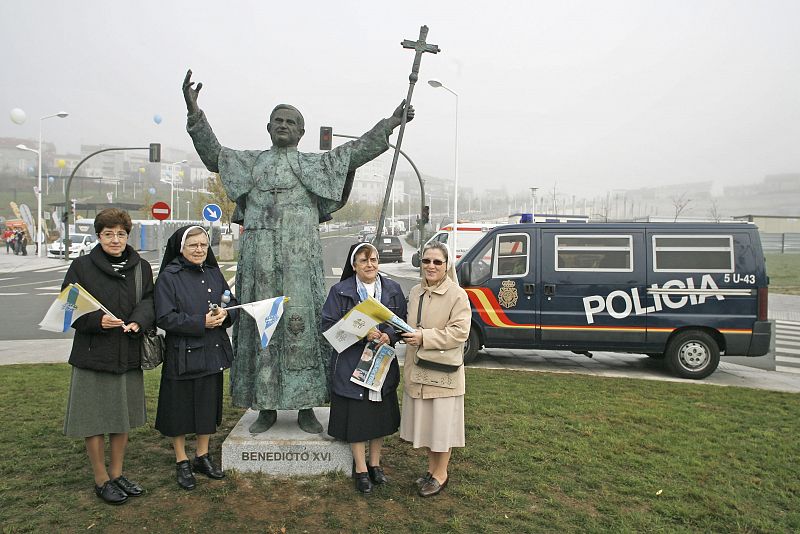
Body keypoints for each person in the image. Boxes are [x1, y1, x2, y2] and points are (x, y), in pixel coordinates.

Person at [182, 69, 415, 434]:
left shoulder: (311, 165)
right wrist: (196, 115)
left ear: (302, 133)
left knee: (302, 326)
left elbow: (353, 153)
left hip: (299, 262)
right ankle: (266, 406)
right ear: (268, 126)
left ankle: (306, 404)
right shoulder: (251, 163)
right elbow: (215, 156)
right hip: (259, 262)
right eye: (278, 120)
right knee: (262, 329)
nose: (284, 125)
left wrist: (390, 122)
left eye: (292, 122)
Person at [62, 208, 155, 505]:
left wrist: (140, 320)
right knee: (94, 419)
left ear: (127, 236)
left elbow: (150, 300)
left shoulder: (141, 267)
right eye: (108, 234)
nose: (115, 240)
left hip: (127, 351)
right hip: (93, 354)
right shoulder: (81, 266)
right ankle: (101, 479)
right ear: (99, 236)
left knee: (121, 418)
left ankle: (117, 474)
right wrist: (96, 322)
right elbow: (68, 307)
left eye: (120, 234)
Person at [154, 226, 239, 490]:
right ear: (181, 248)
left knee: (207, 406)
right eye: (193, 245)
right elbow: (165, 317)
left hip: (211, 351)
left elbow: (231, 301)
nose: (200, 250)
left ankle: (202, 456)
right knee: (178, 409)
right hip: (183, 354)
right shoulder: (169, 277)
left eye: (203, 245)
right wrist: (199, 322)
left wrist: (227, 315)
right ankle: (182, 460)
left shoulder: (214, 273)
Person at [321, 243, 407, 494]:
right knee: (357, 417)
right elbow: (328, 324)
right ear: (354, 265)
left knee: (378, 415)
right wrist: (362, 332)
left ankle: (375, 464)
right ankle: (360, 468)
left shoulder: (392, 289)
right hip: (351, 364)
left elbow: (403, 321)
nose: (370, 264)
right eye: (364, 260)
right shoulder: (340, 291)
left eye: (374, 259)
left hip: (381, 363)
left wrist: (388, 335)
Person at [400, 242, 471, 497]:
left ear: (447, 265)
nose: (431, 266)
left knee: (442, 428)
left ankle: (442, 474)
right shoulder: (416, 292)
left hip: (443, 373)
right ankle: (432, 470)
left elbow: (460, 332)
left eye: (437, 262)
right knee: (430, 426)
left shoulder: (457, 295)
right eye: (426, 261)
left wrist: (423, 337)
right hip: (418, 370)